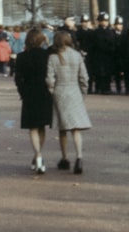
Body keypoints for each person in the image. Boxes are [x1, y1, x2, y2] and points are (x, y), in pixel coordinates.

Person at [46, 30, 90, 175]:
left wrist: (52, 90)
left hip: (60, 91)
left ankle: (64, 158)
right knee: (76, 128)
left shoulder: (53, 58)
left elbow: (50, 78)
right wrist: (83, 92)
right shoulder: (77, 55)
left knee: (62, 128)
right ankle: (79, 156)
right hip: (74, 91)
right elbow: (84, 77)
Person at [14, 28, 52, 173]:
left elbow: (18, 79)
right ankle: (38, 155)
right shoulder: (46, 55)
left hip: (29, 93)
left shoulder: (22, 57)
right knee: (42, 127)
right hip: (44, 93)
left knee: (32, 127)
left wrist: (22, 92)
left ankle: (38, 155)